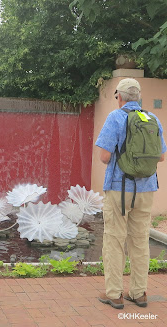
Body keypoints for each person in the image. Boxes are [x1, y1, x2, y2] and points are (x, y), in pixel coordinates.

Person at [95, 78, 166, 309]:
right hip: (146, 189)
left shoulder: (116, 117)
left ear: (120, 97)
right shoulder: (152, 118)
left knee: (114, 240)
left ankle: (115, 294)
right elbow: (161, 156)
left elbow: (105, 157)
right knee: (140, 241)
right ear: (138, 97)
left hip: (119, 188)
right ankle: (139, 293)